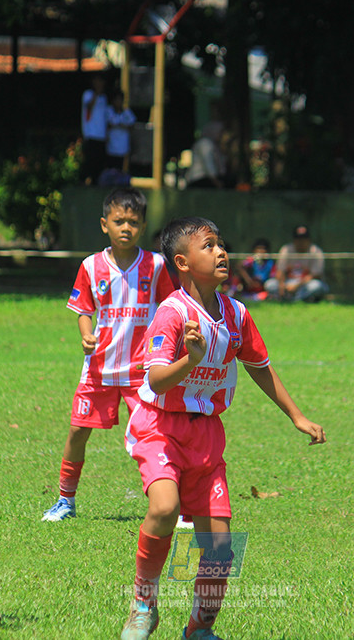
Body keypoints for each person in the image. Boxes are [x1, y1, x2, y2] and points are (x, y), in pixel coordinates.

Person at [119, 216, 327, 640]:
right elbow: (157, 379)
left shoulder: (236, 314)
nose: (221, 252)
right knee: (163, 507)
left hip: (207, 434)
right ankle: (144, 602)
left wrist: (296, 415)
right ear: (182, 262)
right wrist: (190, 360)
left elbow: (259, 367)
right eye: (209, 245)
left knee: (220, 547)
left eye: (221, 244)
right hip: (159, 425)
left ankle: (199, 627)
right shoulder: (172, 314)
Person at [42, 187, 177, 522]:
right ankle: (65, 501)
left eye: (133, 222)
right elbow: (83, 308)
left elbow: (171, 307)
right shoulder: (91, 266)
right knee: (77, 431)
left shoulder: (156, 265)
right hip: (99, 369)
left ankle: (175, 503)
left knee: (156, 435)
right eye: (119, 221)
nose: (126, 228)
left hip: (142, 372)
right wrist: (86, 335)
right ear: (105, 224)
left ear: (143, 226)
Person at [267, 225, 329, 302]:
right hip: (288, 283)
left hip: (305, 284)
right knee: (270, 284)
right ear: (294, 240)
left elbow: (315, 275)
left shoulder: (316, 251)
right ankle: (296, 298)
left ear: (308, 239)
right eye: (298, 238)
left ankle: (291, 299)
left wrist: (297, 286)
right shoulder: (286, 249)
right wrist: (281, 285)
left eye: (304, 238)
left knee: (316, 287)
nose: (301, 241)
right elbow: (280, 271)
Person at [81, 74, 109, 185]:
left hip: (101, 136)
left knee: (99, 163)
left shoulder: (104, 98)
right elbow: (89, 107)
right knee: (89, 162)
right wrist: (96, 93)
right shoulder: (88, 95)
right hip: (91, 134)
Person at [184, 122, 226, 189]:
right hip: (199, 181)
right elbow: (209, 165)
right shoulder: (205, 143)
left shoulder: (213, 145)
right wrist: (217, 182)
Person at [105, 88, 137, 173]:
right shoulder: (108, 111)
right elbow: (106, 124)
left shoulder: (127, 113)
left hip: (123, 146)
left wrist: (123, 126)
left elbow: (132, 125)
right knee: (111, 167)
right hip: (111, 146)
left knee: (121, 168)